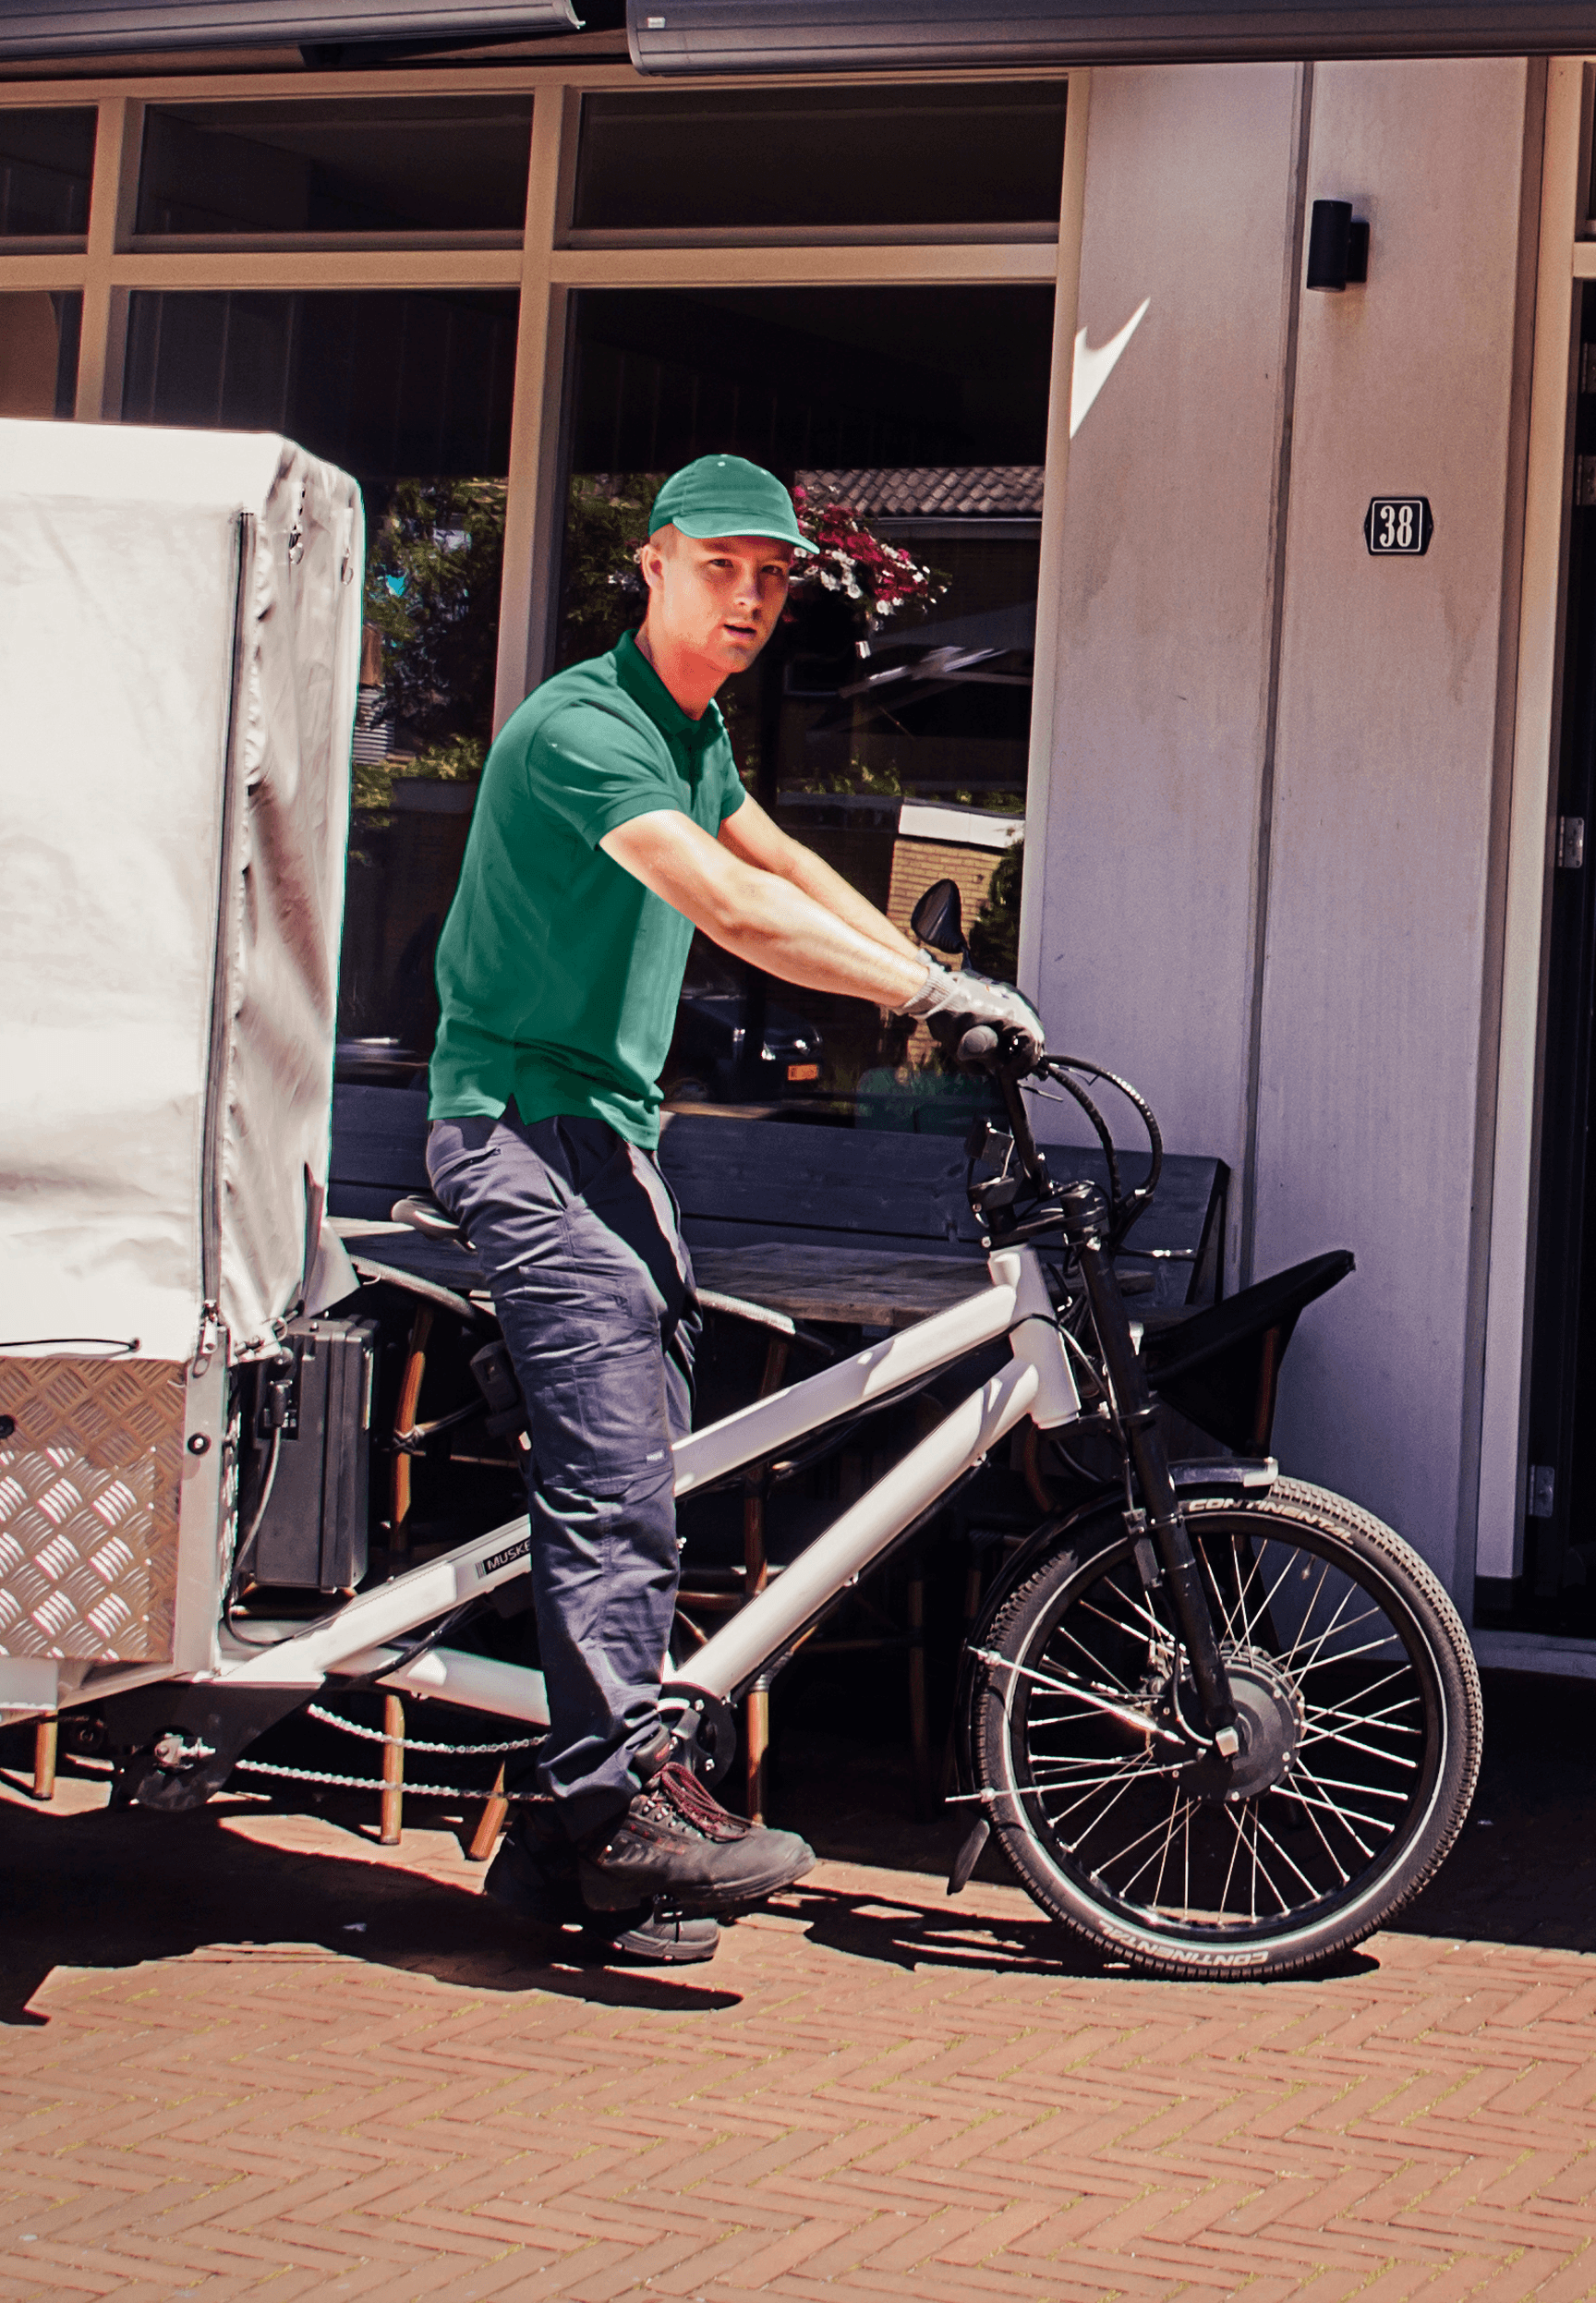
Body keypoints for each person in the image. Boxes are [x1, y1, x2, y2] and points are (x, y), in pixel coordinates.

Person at [424, 455, 1043, 1963]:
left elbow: (787, 861)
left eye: (774, 577)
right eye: (725, 570)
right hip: (516, 1127)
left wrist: (943, 979)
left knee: (647, 1459)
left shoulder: (687, 733)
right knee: (617, 1467)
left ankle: (562, 1856)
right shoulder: (586, 727)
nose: (753, 597)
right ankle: (619, 1801)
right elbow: (727, 903)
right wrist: (918, 992)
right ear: (654, 565)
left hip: (607, 1138)